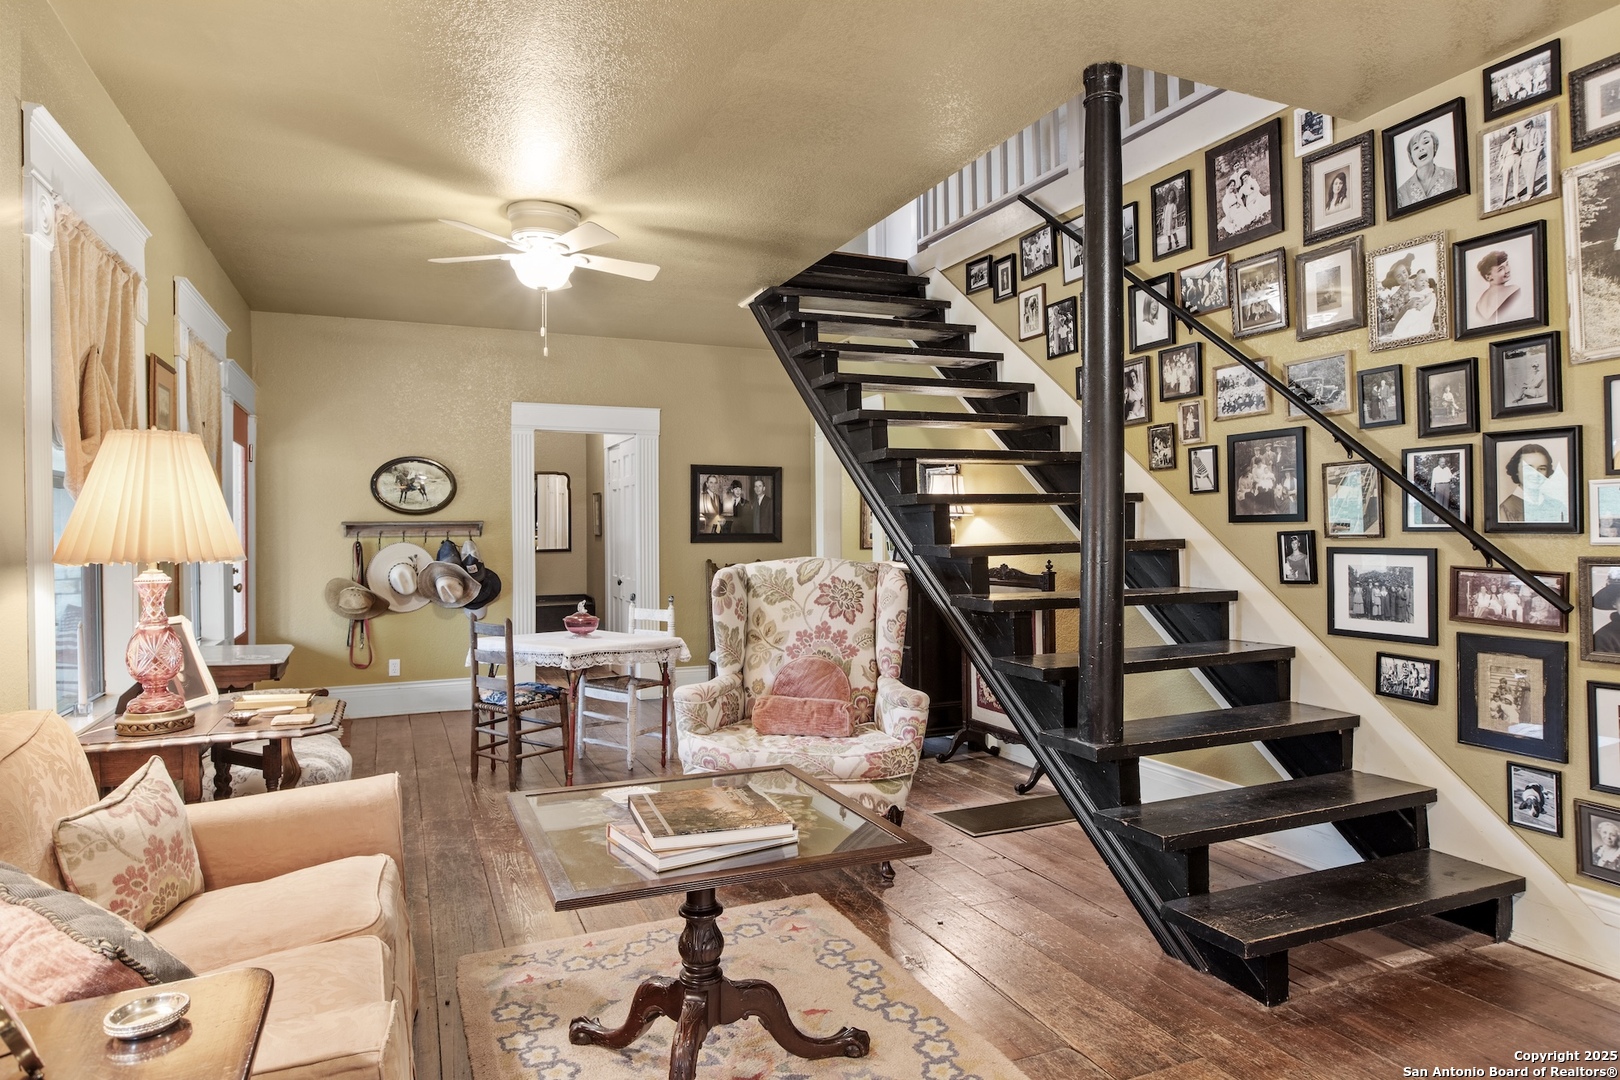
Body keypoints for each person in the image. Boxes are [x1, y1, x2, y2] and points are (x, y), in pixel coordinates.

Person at [1497, 442, 1567, 524]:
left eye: (1542, 468)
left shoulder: (1557, 506)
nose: (1535, 474)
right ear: (1516, 470)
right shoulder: (1506, 508)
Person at [1397, 127, 1457, 206]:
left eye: (1426, 142)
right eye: (1416, 147)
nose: (1421, 149)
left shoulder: (1452, 176)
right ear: (1411, 157)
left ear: (1434, 146)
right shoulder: (1401, 193)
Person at [1473, 250, 1532, 325]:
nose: (1507, 270)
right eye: (1500, 269)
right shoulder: (1514, 289)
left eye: (1507, 264)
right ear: (1488, 277)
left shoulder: (1479, 303)